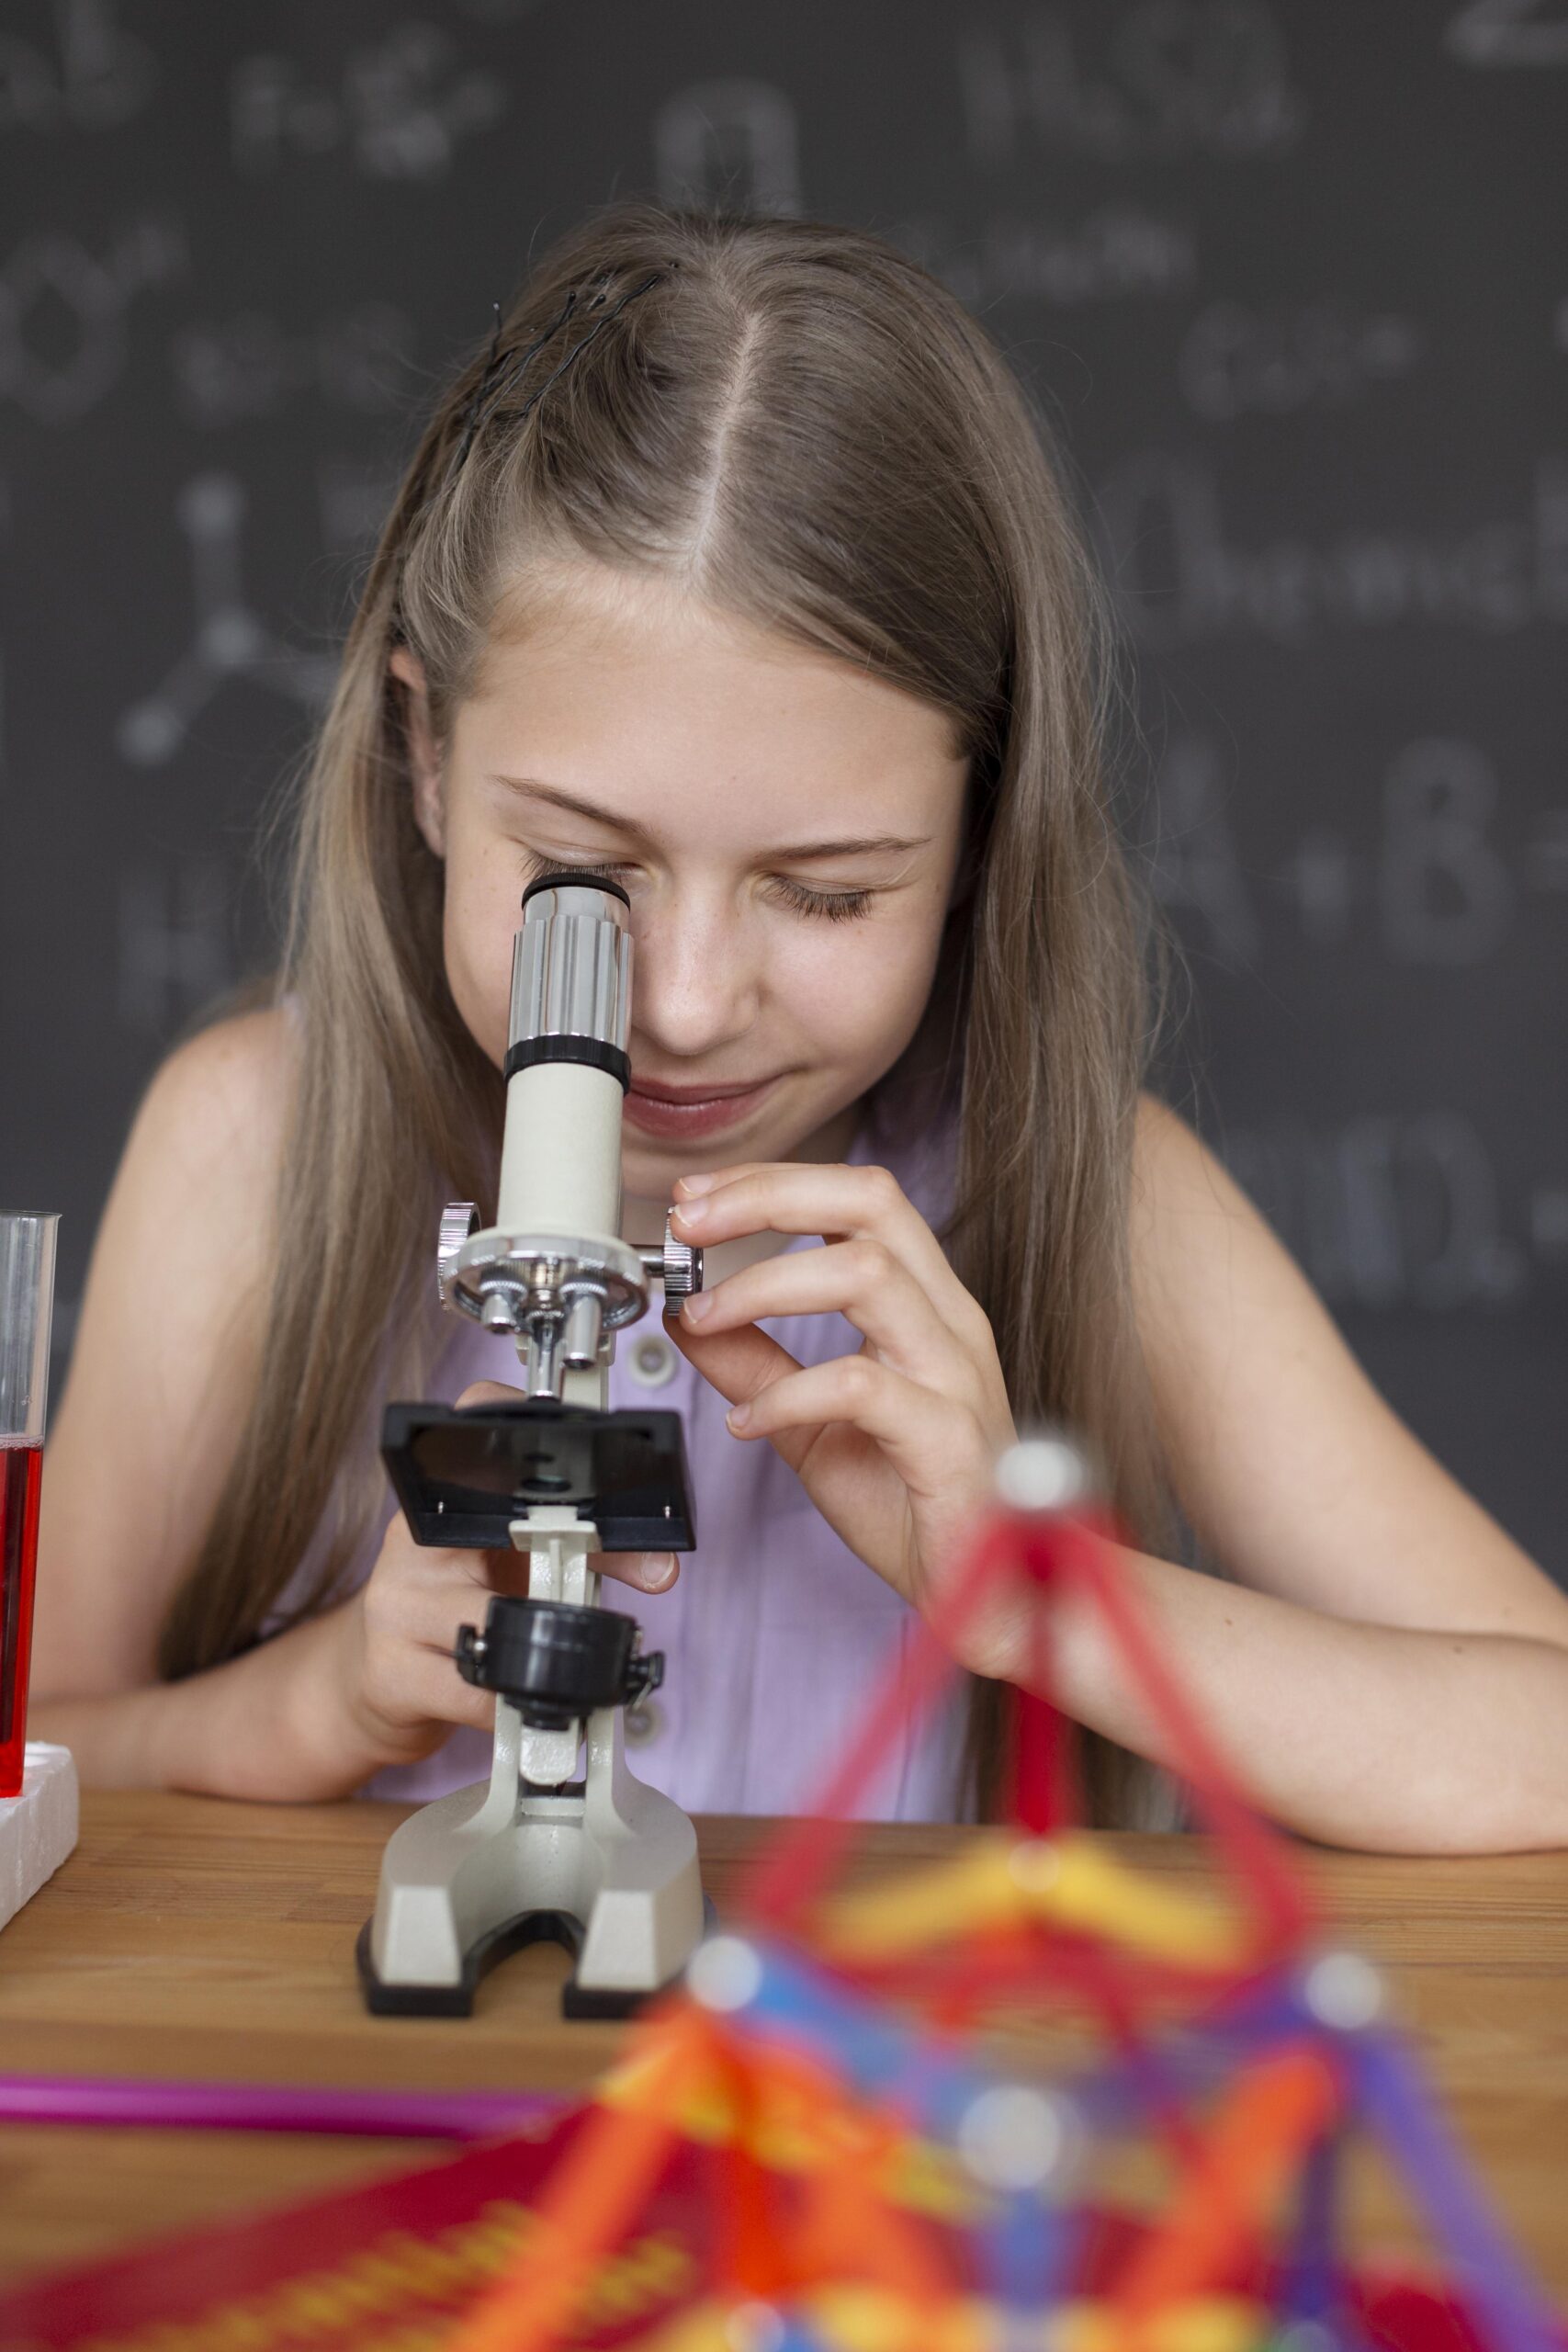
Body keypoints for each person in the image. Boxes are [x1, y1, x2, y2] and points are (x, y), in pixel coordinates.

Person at [28, 201, 1568, 1849]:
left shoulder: (1094, 1196)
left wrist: (1035, 1600)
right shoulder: (250, 1145)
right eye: (578, 873)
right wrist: (318, 1702)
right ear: (423, 756)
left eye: (826, 894)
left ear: (979, 833)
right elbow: (40, 1740)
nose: (685, 1006)